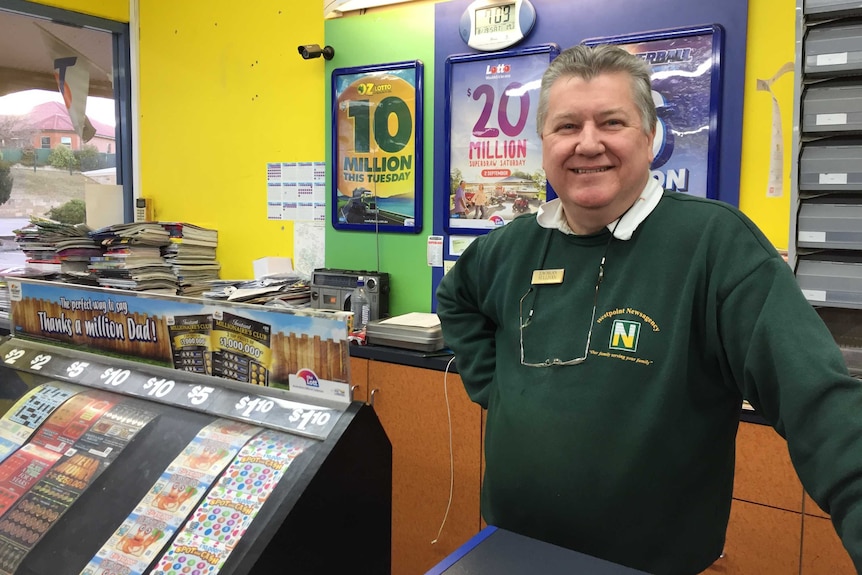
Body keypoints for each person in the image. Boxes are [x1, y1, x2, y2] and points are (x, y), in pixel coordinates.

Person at [436, 44, 862, 575]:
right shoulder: (510, 247)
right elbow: (456, 298)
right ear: (543, 143)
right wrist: (496, 389)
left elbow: (821, 404)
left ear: (650, 135)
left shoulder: (715, 245)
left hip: (654, 563)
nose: (588, 143)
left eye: (611, 121)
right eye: (566, 126)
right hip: (512, 550)